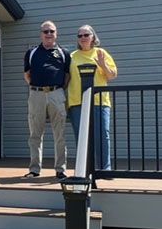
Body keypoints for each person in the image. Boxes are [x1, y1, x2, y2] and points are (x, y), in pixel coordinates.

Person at [23, 20, 70, 178]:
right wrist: (39, 89)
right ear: (41, 34)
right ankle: (34, 170)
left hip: (57, 94)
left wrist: (55, 90)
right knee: (35, 134)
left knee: (60, 134)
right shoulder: (32, 53)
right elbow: (27, 75)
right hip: (36, 94)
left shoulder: (64, 53)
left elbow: (67, 76)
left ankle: (60, 170)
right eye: (46, 31)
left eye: (52, 31)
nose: (49, 34)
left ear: (56, 34)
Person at [66, 24, 117, 171]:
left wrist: (102, 65)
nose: (83, 38)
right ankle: (85, 169)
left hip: (99, 101)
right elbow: (66, 79)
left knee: (103, 135)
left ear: (93, 37)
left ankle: (104, 169)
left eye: (86, 35)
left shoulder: (101, 53)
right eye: (80, 35)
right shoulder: (72, 56)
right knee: (82, 137)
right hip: (77, 102)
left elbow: (112, 75)